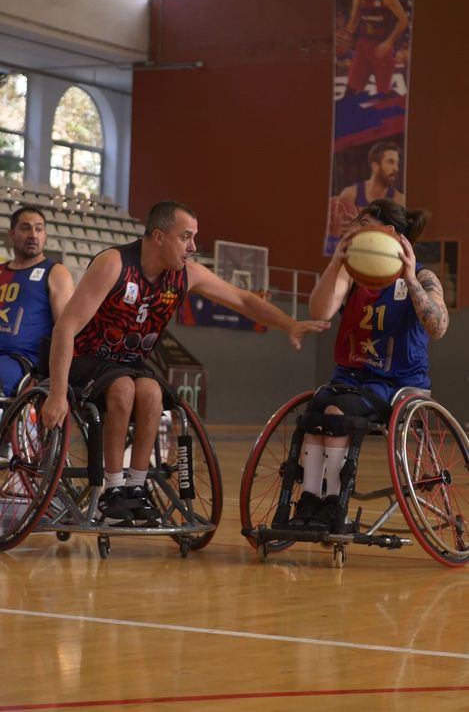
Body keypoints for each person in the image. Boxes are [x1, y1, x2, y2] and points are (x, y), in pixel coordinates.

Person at [41, 200, 330, 525]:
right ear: (159, 237)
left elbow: (244, 300)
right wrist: (56, 392)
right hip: (86, 359)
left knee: (151, 392)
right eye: (186, 237)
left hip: (129, 362)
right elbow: (65, 327)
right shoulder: (114, 263)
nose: (193, 247)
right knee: (122, 389)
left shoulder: (185, 274)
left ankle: (135, 489)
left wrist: (289, 324)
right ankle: (113, 489)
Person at [291, 197, 449, 531]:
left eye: (361, 224)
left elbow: (438, 327)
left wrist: (409, 274)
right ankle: (309, 500)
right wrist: (336, 262)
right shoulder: (353, 276)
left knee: (335, 413)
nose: (353, 230)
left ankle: (333, 503)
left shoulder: (422, 276)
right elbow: (319, 312)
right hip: (351, 377)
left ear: (387, 232)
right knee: (317, 409)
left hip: (397, 385)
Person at [0, 205, 75, 397]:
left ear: (45, 235)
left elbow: (67, 331)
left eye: (39, 229)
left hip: (22, 361)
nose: (33, 234)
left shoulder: (56, 272)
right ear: (11, 234)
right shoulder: (1, 271)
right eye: (25, 228)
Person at [345, 0, 409, 96]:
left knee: (382, 96)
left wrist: (389, 42)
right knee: (350, 92)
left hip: (381, 49)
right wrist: (345, 35)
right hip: (362, 48)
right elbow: (353, 22)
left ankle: (397, 99)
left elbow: (403, 19)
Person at [340, 141, 405, 211]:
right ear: (375, 166)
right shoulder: (350, 195)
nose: (396, 168)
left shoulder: (400, 201)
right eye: (390, 162)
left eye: (397, 163)